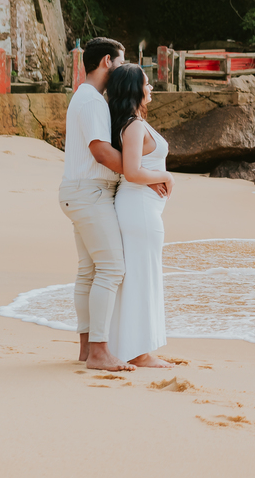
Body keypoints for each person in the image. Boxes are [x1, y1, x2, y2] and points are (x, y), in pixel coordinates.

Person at [58, 37, 165, 371]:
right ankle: (100, 351)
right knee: (111, 269)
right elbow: (100, 150)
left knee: (89, 271)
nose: (123, 69)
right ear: (107, 61)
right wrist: (141, 171)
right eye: (121, 61)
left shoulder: (88, 97)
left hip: (80, 192)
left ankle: (88, 347)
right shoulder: (91, 100)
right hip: (90, 193)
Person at [106, 63, 174, 368]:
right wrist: (166, 177)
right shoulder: (133, 126)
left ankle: (136, 347)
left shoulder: (135, 123)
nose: (151, 88)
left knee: (142, 276)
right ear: (135, 89)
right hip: (139, 210)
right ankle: (140, 353)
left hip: (143, 209)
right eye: (147, 84)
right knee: (141, 278)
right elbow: (131, 171)